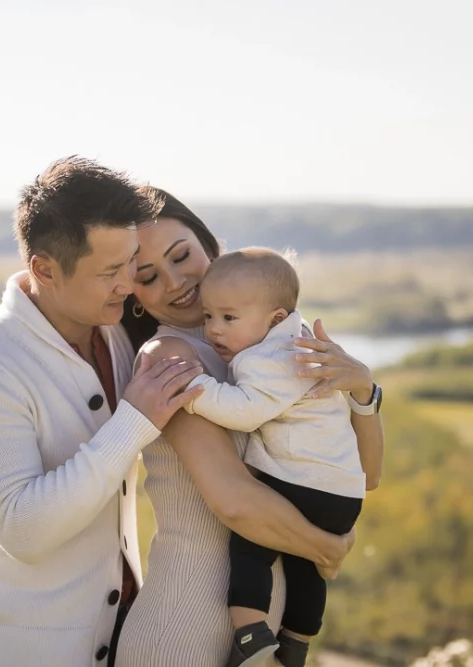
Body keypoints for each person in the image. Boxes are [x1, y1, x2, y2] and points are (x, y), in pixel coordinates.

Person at [0, 157, 208, 667]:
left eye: (131, 262)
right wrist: (133, 421)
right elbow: (24, 531)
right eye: (109, 272)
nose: (129, 284)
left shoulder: (117, 334)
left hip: (124, 640)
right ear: (44, 270)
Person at [115, 189, 384, 667]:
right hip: (182, 632)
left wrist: (364, 392)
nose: (176, 282)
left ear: (210, 246)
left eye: (182, 256)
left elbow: (365, 473)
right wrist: (328, 545)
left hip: (259, 634)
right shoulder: (169, 361)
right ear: (132, 293)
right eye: (149, 276)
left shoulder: (274, 352)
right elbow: (235, 502)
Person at [181, 247, 380, 666]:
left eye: (228, 318)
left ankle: (251, 638)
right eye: (208, 317)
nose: (214, 330)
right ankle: (296, 643)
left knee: (252, 546)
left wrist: (198, 392)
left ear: (274, 319)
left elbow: (245, 411)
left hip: (300, 482)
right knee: (306, 568)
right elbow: (372, 474)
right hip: (341, 493)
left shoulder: (270, 358)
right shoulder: (298, 339)